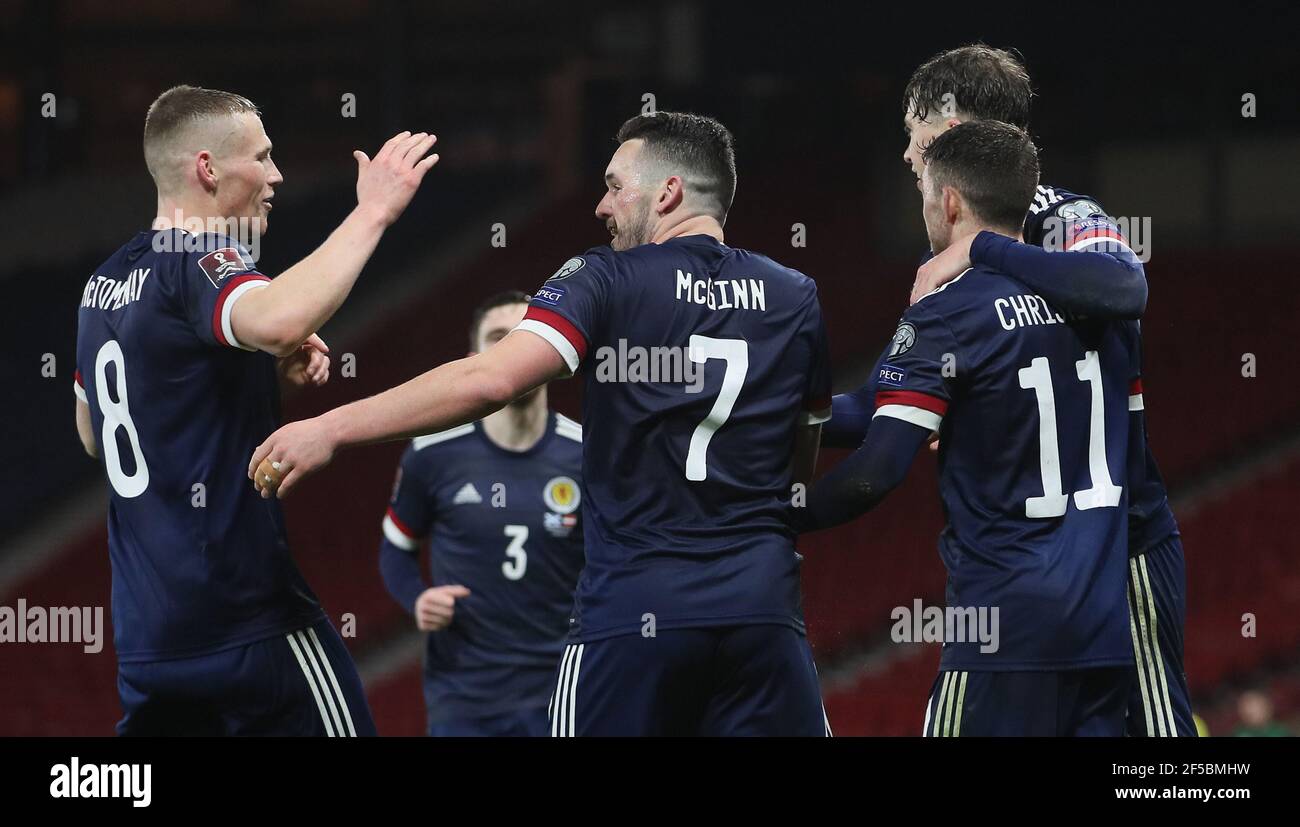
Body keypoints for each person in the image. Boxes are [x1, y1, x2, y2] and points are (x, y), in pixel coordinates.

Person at [249, 112, 834, 736]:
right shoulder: (795, 293)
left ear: (667, 194)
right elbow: (799, 460)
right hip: (762, 614)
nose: (601, 204)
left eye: (614, 184)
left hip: (633, 616)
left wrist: (331, 427)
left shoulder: (607, 277)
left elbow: (489, 380)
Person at [829, 45, 1193, 737]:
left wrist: (982, 250)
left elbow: (1125, 286)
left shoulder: (1060, 217)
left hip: (1124, 544)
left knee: (1158, 742)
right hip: (1036, 567)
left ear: (953, 126)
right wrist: (761, 416)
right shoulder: (959, 248)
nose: (908, 154)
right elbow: (885, 404)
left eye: (915, 132)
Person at [73, 84, 437, 735]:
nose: (276, 175)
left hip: (150, 638)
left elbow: (95, 434)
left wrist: (256, 374)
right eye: (262, 157)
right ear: (207, 168)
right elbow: (280, 317)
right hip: (247, 624)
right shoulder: (200, 257)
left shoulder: (103, 283)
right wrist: (373, 212)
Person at [378, 291, 584, 737]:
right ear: (475, 359)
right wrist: (416, 598)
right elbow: (396, 550)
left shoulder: (590, 455)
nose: (512, 351)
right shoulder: (432, 454)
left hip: (565, 688)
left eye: (525, 337)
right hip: (465, 694)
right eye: (498, 339)